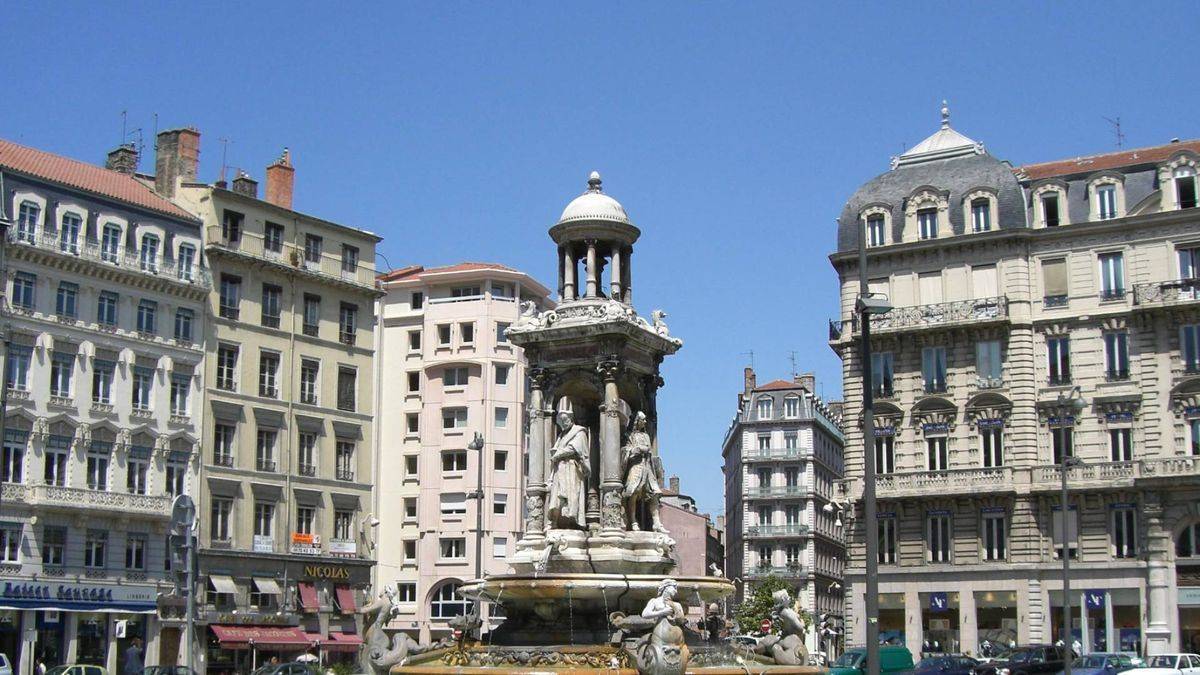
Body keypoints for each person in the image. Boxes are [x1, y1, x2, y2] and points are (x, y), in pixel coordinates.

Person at [546, 398, 590, 530]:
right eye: (561, 422)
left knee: (572, 495)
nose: (564, 424)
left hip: (572, 468)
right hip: (561, 469)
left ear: (571, 419)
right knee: (556, 497)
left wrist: (558, 454)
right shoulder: (562, 435)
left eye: (565, 421)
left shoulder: (579, 431)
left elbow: (575, 448)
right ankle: (553, 522)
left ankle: (573, 521)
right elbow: (557, 449)